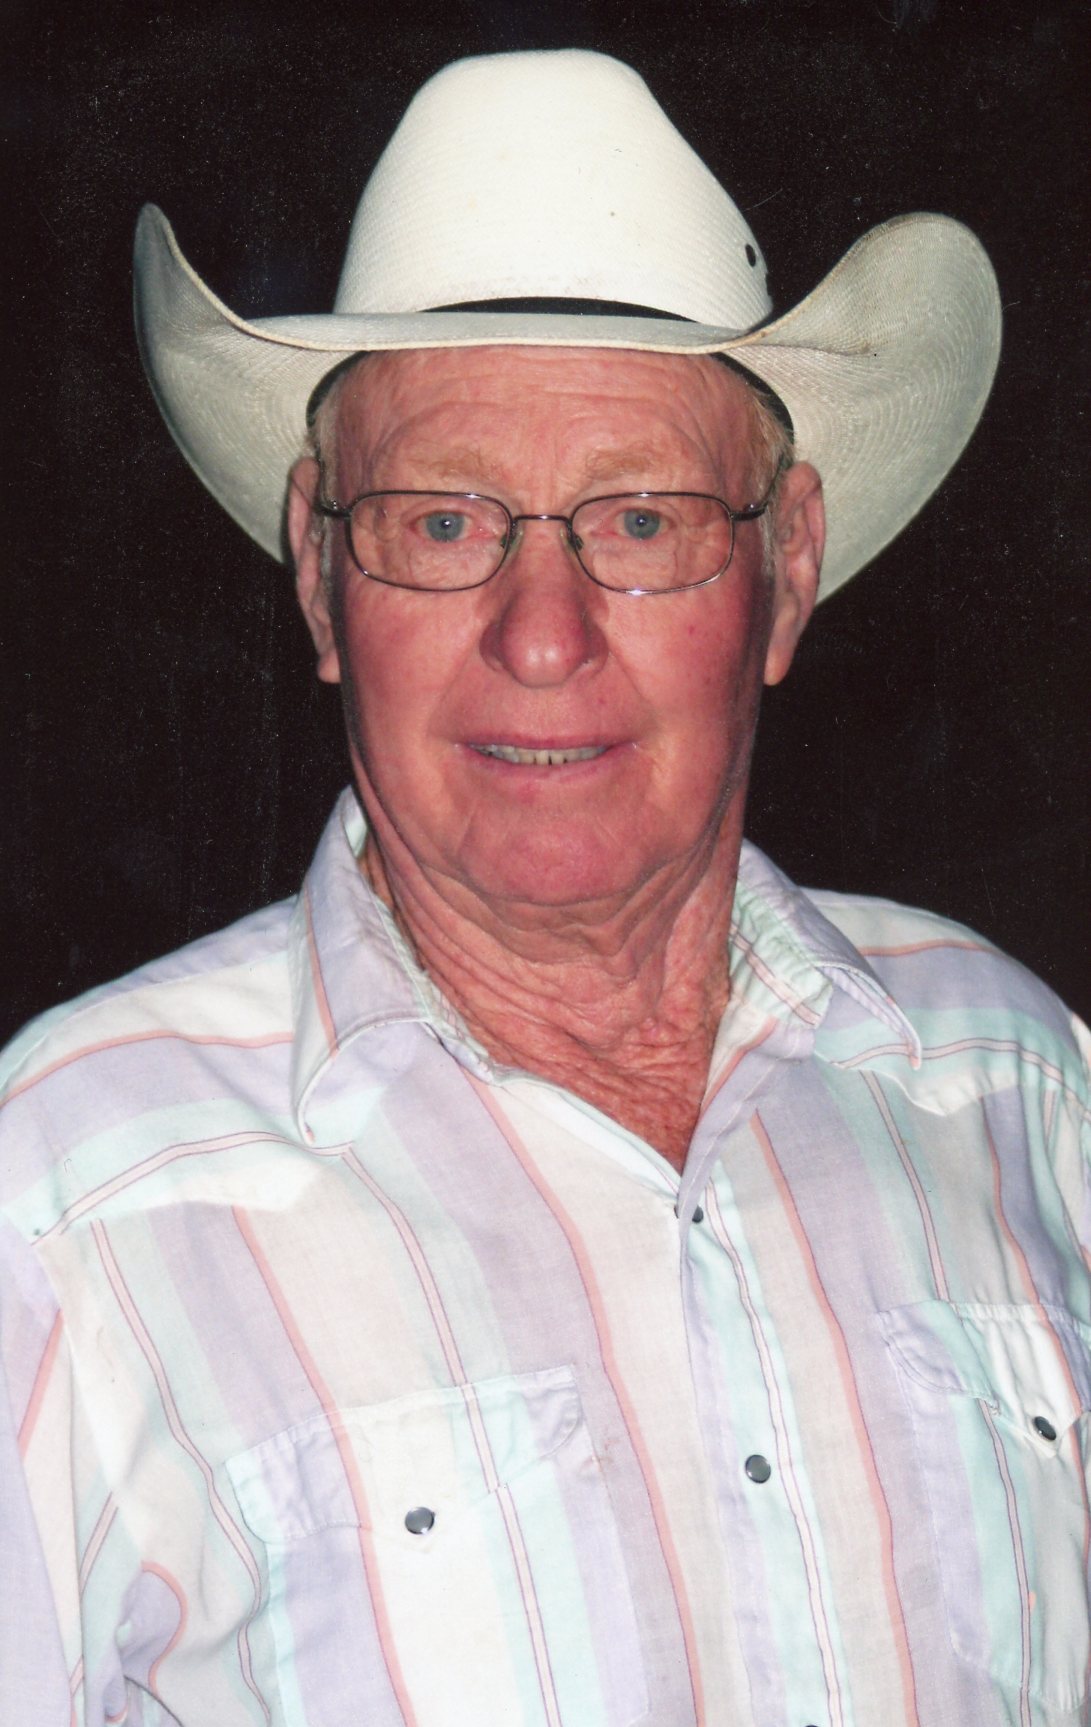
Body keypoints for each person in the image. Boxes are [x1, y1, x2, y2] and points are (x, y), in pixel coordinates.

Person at [1, 46, 1087, 1727]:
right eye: (443, 524)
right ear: (319, 576)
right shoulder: (62, 1196)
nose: (542, 633)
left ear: (788, 570)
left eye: (641, 522)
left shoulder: (1022, 1084)